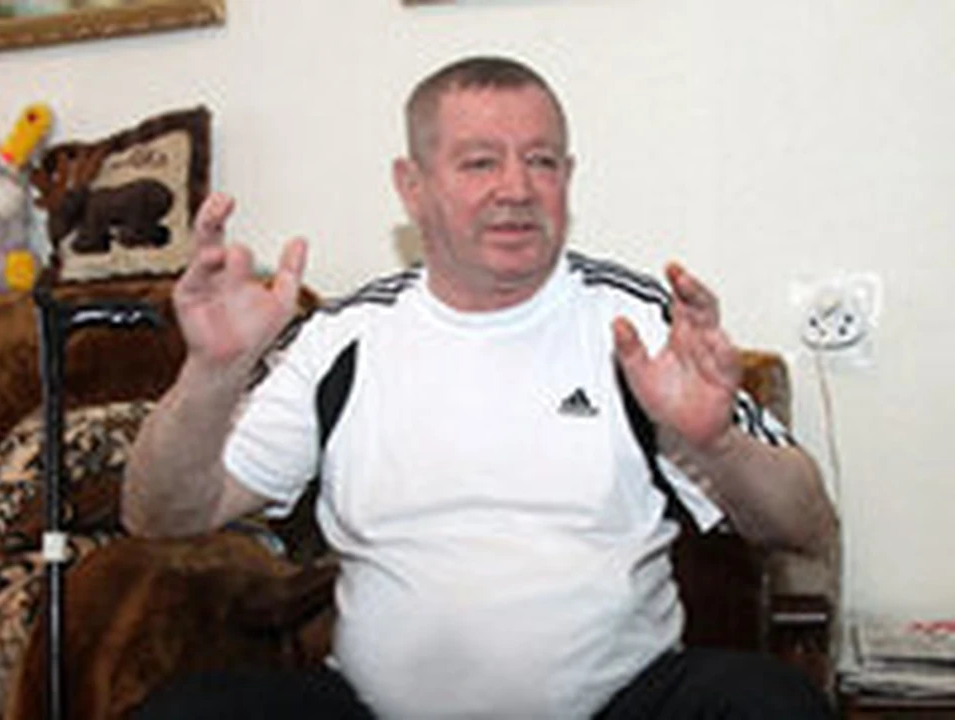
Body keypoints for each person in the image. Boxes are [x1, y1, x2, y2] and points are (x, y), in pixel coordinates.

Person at [124, 55, 838, 719]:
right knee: (190, 711)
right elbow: (163, 515)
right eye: (479, 162)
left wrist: (717, 444)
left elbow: (806, 527)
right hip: (377, 712)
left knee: (768, 703)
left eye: (542, 161)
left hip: (620, 707)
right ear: (412, 186)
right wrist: (211, 374)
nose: (517, 189)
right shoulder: (343, 338)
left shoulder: (636, 324)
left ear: (568, 176)